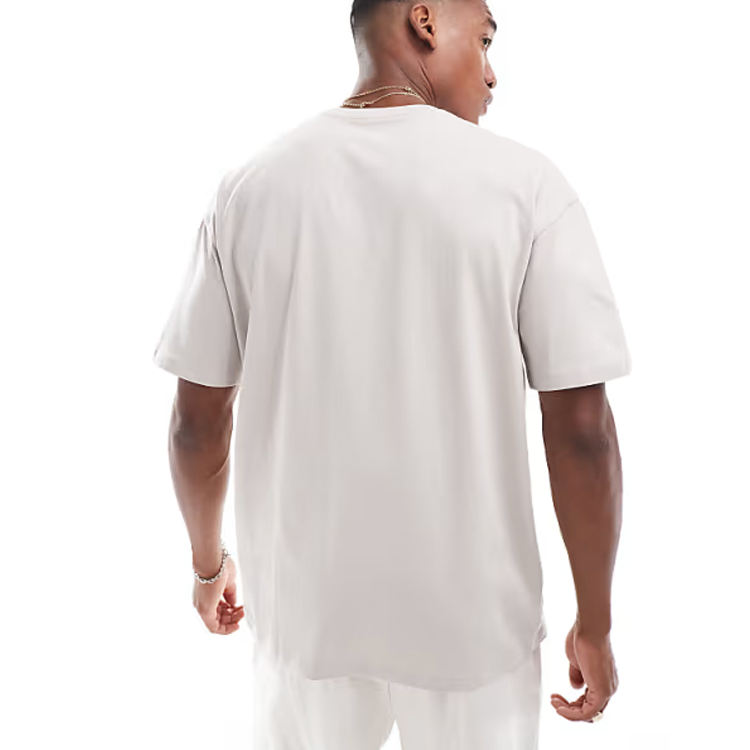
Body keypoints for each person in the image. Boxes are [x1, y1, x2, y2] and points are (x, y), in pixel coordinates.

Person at [153, 0, 631, 747]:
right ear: (424, 21)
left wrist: (209, 567)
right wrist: (594, 623)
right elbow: (583, 432)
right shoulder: (527, 187)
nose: (493, 74)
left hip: (307, 618)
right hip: (474, 628)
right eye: (485, 39)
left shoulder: (249, 189)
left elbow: (196, 424)